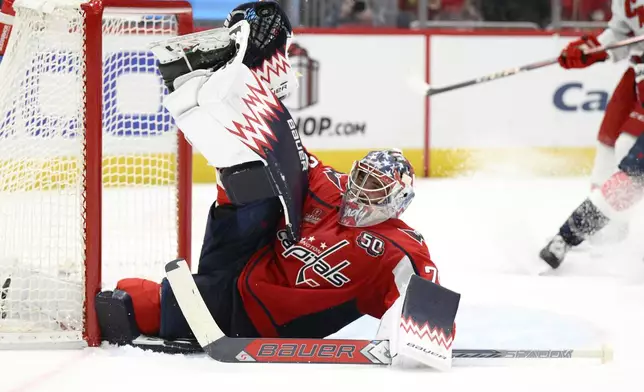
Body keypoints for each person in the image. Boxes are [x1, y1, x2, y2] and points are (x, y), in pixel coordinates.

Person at [95, 1, 459, 370]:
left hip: (258, 316)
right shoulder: (333, 186)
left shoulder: (400, 249)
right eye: (361, 176)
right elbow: (287, 156)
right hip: (245, 251)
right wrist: (257, 89)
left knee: (133, 300)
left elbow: (429, 304)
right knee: (256, 170)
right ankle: (219, 76)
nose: (361, 189)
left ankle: (131, 307)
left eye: (376, 186)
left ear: (397, 201)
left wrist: (408, 333)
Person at [539, 0, 644, 269]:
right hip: (640, 75)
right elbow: (622, 31)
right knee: (629, 171)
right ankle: (578, 234)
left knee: (629, 158)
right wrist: (593, 50)